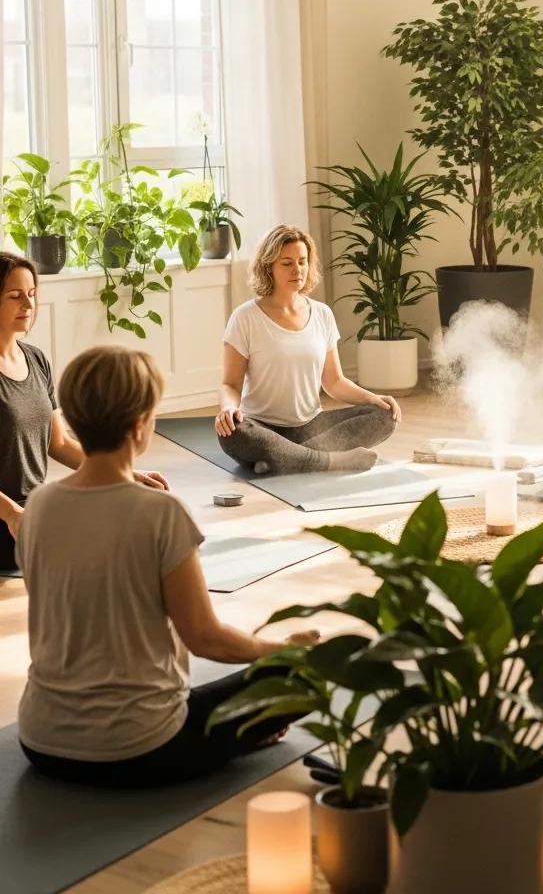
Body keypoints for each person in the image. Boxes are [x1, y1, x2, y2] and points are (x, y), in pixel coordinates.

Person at [17, 345, 319, 788]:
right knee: (311, 671)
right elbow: (206, 639)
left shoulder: (39, 505)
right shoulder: (159, 512)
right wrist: (282, 650)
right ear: (141, 425)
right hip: (141, 748)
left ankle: (241, 734)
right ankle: (244, 733)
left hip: (41, 742)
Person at [0, 252, 167, 571]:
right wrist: (11, 514)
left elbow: (58, 443)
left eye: (32, 294)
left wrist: (126, 475)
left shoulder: (35, 359)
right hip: (7, 518)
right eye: (15, 296)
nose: (28, 304)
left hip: (35, 508)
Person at [216, 225, 400, 475]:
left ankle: (284, 459)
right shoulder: (245, 317)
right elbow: (230, 383)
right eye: (287, 263)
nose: (297, 270)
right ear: (269, 267)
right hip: (260, 427)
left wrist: (373, 398)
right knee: (233, 433)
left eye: (302, 262)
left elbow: (334, 382)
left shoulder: (322, 314)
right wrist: (228, 409)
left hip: (311, 427)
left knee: (385, 415)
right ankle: (328, 461)